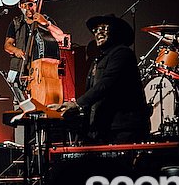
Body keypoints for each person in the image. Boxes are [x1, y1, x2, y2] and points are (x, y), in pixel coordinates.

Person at [49, 14, 150, 144]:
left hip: (123, 129)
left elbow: (106, 84)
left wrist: (77, 104)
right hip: (105, 129)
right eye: (95, 30)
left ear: (116, 30)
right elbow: (93, 93)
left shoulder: (123, 53)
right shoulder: (98, 60)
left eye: (103, 28)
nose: (98, 33)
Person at [4, 0, 66, 93]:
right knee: (19, 99)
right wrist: (16, 50)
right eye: (24, 6)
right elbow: (7, 45)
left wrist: (46, 23)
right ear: (20, 7)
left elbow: (60, 36)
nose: (28, 8)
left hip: (39, 69)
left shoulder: (43, 19)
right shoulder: (16, 23)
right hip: (20, 68)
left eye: (30, 5)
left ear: (35, 5)